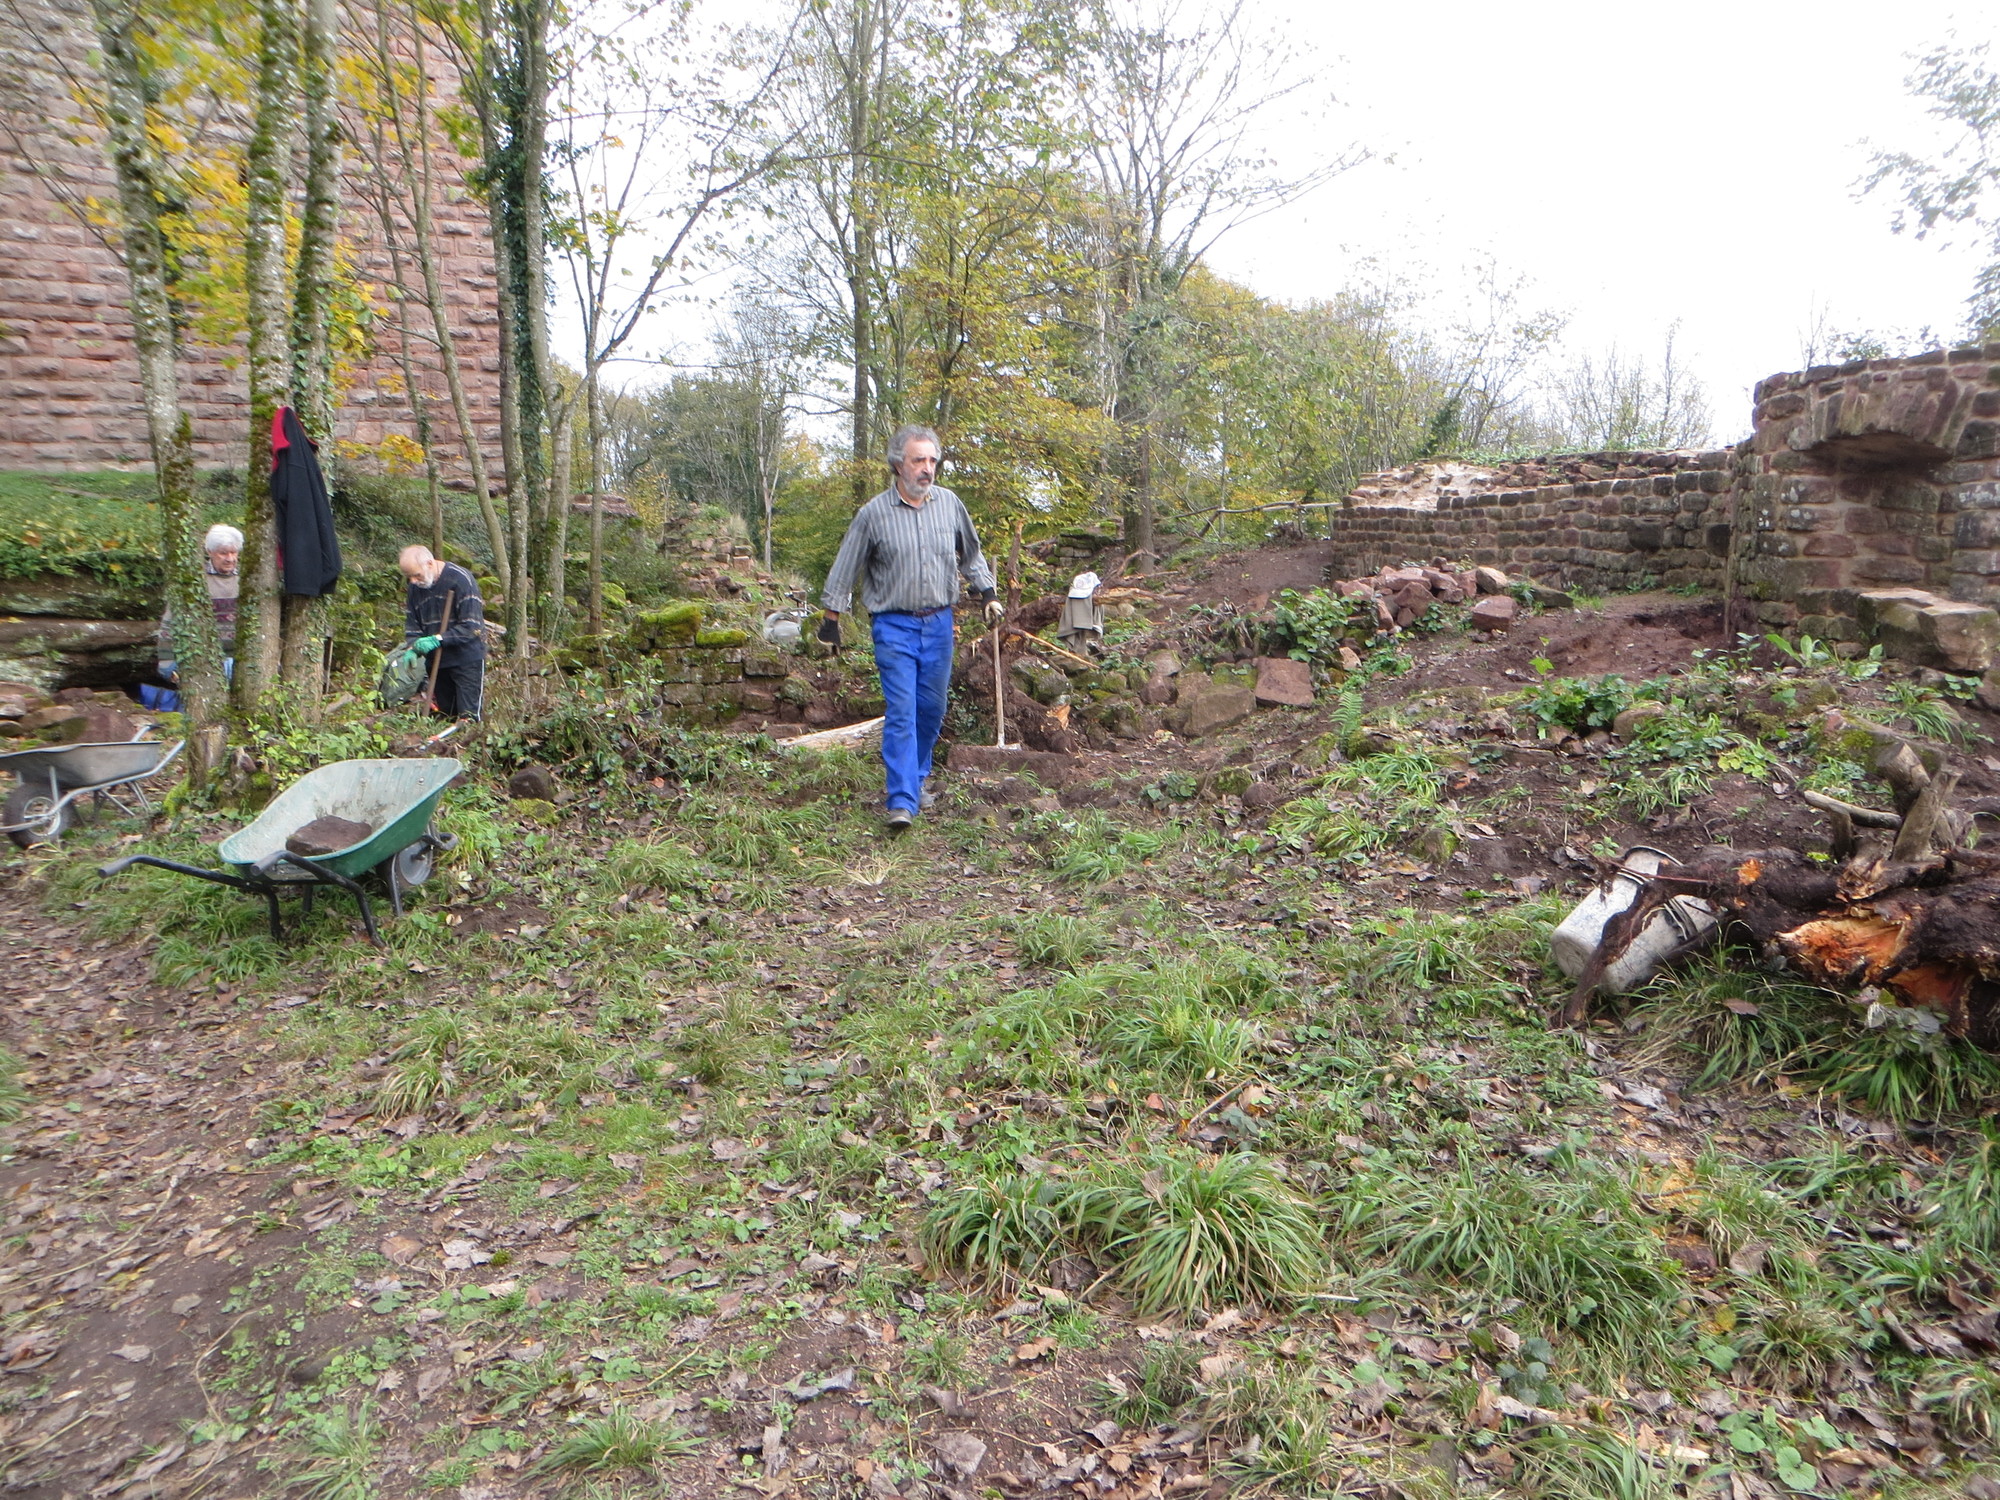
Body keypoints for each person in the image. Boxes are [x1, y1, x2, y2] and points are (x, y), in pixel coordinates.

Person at [820, 425, 1002, 832]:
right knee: (902, 711)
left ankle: (916, 780)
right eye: (919, 460)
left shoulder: (950, 505)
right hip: (893, 625)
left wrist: (987, 592)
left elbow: (971, 554)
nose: (927, 468)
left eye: (932, 460)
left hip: (939, 624)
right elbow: (846, 566)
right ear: (898, 465)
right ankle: (901, 801)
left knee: (931, 709)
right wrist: (831, 619)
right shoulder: (873, 515)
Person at [144, 524, 241, 711]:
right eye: (223, 553)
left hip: (239, 660)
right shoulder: (195, 582)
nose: (230, 559)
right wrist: (168, 665)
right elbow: (170, 623)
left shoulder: (248, 580)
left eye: (233, 552)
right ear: (210, 552)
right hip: (203, 660)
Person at [398, 546, 487, 719]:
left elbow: (472, 627)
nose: (413, 581)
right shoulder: (415, 588)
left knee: (468, 717)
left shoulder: (460, 579)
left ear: (430, 564)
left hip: (466, 660)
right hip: (437, 664)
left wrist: (438, 639)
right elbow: (412, 625)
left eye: (417, 575)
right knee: (446, 716)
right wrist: (412, 648)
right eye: (409, 577)